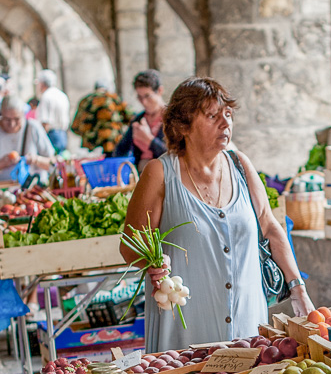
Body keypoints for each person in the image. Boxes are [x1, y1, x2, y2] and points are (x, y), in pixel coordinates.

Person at [121, 77, 312, 352]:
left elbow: (269, 227)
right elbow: (129, 245)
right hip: (185, 335)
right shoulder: (160, 173)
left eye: (228, 114)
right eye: (212, 116)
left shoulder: (240, 165)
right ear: (183, 125)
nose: (225, 123)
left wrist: (298, 291)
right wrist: (152, 263)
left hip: (248, 327)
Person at [0, 96, 55, 180]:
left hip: (33, 188)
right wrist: (0, 165)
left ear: (23, 114)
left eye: (17, 119)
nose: (12, 124)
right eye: (7, 119)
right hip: (1, 188)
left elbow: (53, 163)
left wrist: (35, 159)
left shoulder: (34, 127)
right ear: (1, 114)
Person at [114, 69, 166, 167]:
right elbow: (120, 150)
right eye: (140, 97)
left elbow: (177, 156)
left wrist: (149, 140)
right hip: (141, 172)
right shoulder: (138, 120)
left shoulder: (172, 118)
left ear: (160, 91)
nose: (144, 102)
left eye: (147, 96)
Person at [71, 83, 131, 154]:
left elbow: (75, 126)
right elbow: (130, 117)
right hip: (111, 143)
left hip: (90, 145)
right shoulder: (114, 98)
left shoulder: (84, 101)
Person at [35, 69, 71, 153]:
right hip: (62, 134)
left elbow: (45, 122)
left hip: (52, 135)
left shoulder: (46, 96)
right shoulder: (62, 95)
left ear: (42, 84)